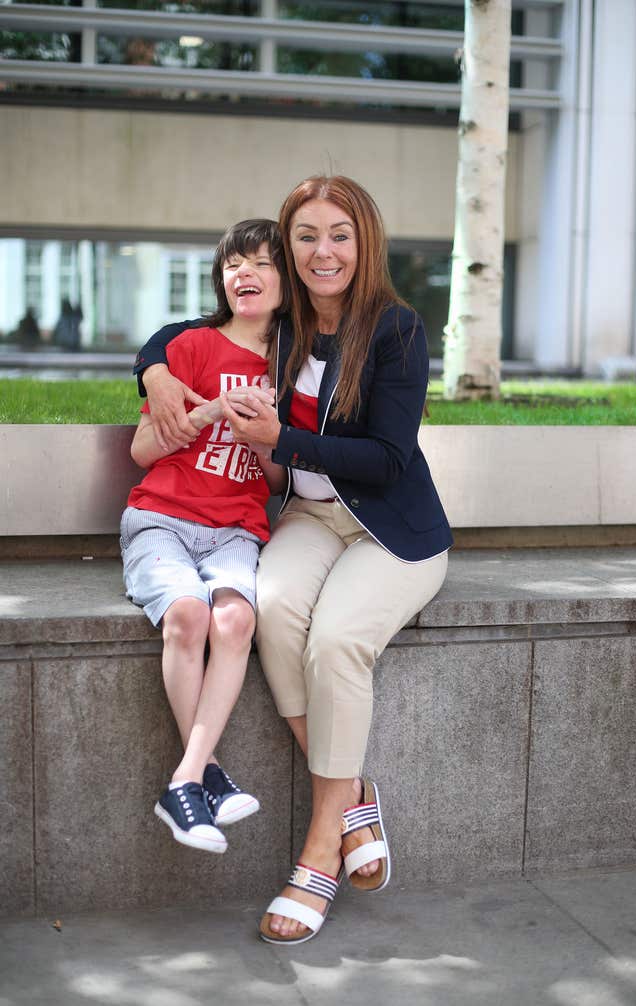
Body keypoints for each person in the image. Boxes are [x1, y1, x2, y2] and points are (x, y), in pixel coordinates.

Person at [134, 176, 453, 943]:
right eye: (305, 236)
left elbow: (385, 456)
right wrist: (154, 372)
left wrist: (283, 444)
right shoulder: (287, 324)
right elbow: (180, 332)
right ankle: (355, 795)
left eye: (339, 234)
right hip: (309, 516)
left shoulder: (396, 329)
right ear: (287, 251)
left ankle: (319, 848)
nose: (323, 251)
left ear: (364, 241)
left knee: (338, 640)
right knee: (271, 610)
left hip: (390, 529)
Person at [122, 218, 288, 856]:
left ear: (286, 283)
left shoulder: (290, 365)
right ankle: (206, 772)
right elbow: (142, 450)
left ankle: (186, 780)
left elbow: (275, 478)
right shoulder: (188, 348)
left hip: (237, 527)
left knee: (236, 623)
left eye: (262, 263)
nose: (245, 273)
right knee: (187, 618)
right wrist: (209, 412)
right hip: (163, 517)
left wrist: (265, 433)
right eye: (234, 264)